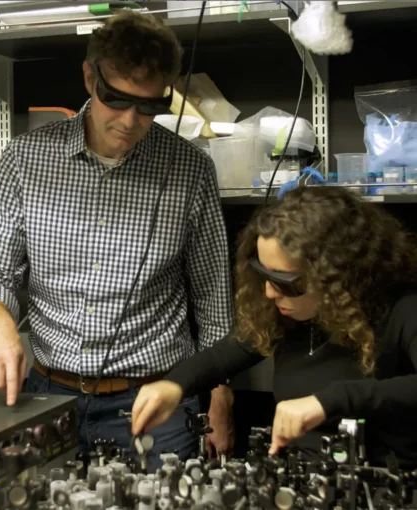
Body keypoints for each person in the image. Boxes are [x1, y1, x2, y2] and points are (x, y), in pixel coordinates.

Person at [0, 11, 235, 466]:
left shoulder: (190, 170)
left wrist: (221, 399)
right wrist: (0, 325)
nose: (130, 120)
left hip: (155, 404)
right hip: (48, 397)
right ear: (90, 78)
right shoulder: (27, 159)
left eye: (148, 106)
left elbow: (213, 298)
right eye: (117, 99)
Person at [132, 185, 417, 468]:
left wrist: (331, 400)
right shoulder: (287, 315)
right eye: (263, 274)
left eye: (285, 282)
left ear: (338, 274)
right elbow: (223, 356)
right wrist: (173, 384)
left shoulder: (402, 309)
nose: (269, 292)